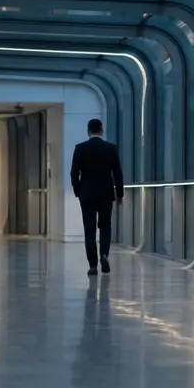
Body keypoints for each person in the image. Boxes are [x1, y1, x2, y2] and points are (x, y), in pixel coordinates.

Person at [70, 118, 124, 276]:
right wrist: (119, 194)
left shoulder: (80, 148)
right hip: (106, 194)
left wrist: (78, 191)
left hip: (86, 195)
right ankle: (104, 255)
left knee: (89, 230)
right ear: (101, 131)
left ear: (88, 131)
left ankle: (93, 265)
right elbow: (117, 173)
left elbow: (74, 173)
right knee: (105, 226)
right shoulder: (110, 148)